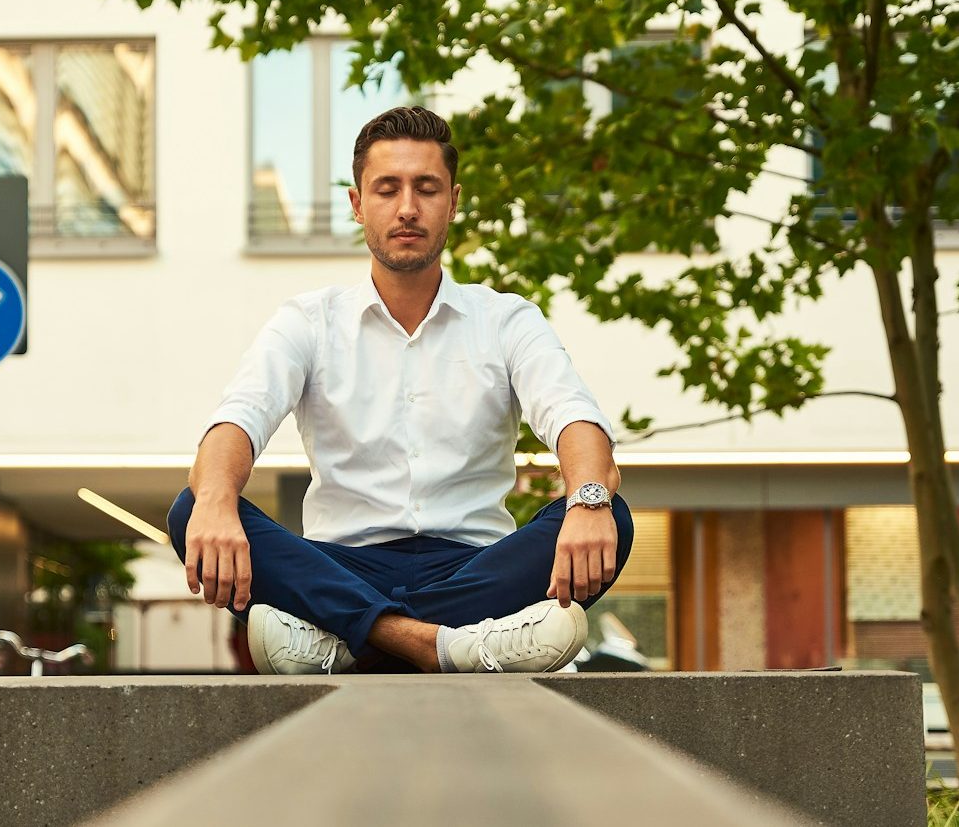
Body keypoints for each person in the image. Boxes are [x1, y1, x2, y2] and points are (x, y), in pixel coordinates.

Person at [167, 106, 633, 674]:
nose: (407, 208)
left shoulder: (506, 319)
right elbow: (236, 422)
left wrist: (589, 499)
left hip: (474, 567)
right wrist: (215, 503)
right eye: (387, 189)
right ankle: (451, 644)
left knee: (614, 518)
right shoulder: (309, 321)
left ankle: (343, 637)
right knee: (193, 506)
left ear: (454, 202)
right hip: (343, 565)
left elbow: (574, 418)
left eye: (426, 188)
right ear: (358, 204)